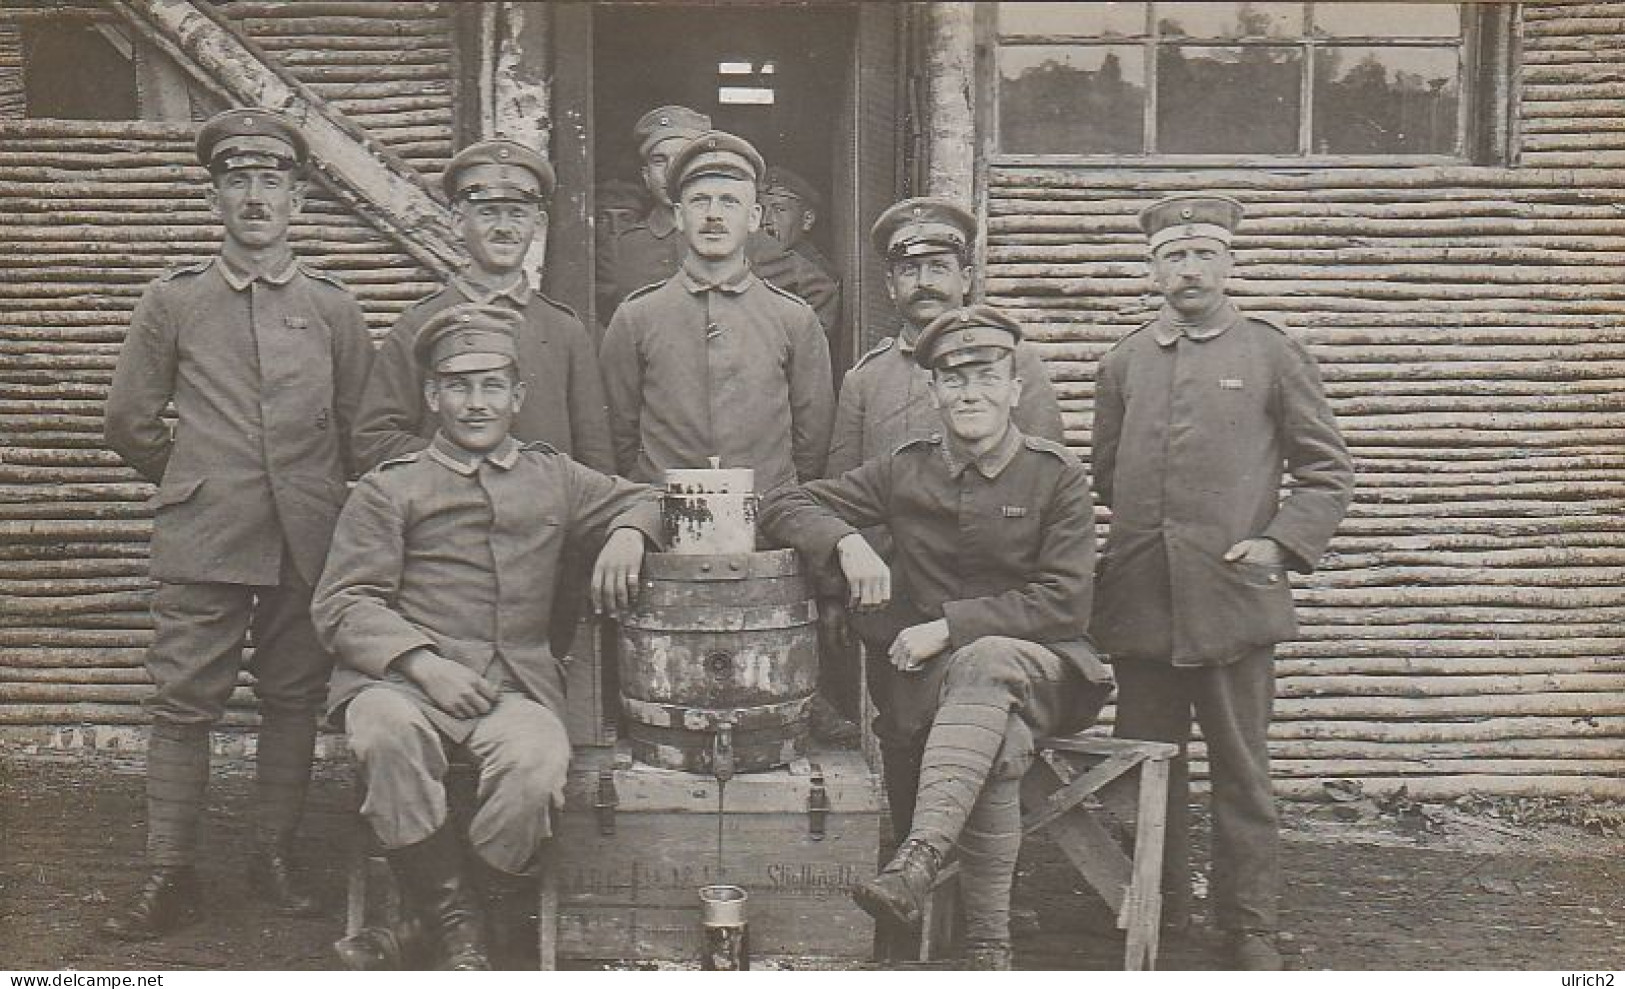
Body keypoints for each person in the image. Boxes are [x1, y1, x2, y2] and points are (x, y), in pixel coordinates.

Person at [760, 305, 1113, 971]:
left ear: (1014, 387)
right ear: (933, 392)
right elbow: (783, 503)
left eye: (985, 376)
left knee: (984, 656)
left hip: (1047, 674)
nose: (969, 392)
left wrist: (947, 626)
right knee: (999, 744)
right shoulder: (904, 469)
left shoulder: (1054, 473)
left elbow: (1065, 601)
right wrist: (847, 543)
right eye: (953, 380)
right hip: (948, 695)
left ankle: (917, 855)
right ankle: (988, 944)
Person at [313, 304, 663, 970]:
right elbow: (342, 601)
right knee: (385, 732)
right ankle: (464, 933)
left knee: (534, 760)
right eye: (459, 386)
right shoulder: (393, 488)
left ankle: (431, 927)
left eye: (492, 385)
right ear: (432, 395)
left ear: (517, 394)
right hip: (402, 683)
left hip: (513, 687)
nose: (477, 403)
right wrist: (421, 663)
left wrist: (625, 532)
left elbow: (642, 496)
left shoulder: (551, 473)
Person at [101, 107, 374, 939]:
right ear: (216, 196)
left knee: (293, 698)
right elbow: (130, 422)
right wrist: (195, 480)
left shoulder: (333, 307)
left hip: (307, 538)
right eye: (238, 181)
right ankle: (168, 871)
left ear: (298, 199)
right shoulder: (172, 299)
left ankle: (273, 854)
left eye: (271, 182)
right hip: (207, 533)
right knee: (185, 701)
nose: (255, 197)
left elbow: (362, 428)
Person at [1090, 194, 1354, 970]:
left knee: (1242, 771)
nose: (1189, 268)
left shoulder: (1271, 352)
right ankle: (1157, 909)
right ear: (1152, 268)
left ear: (1229, 262)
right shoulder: (1124, 360)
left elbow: (1325, 471)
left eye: (1204, 253)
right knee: (1146, 767)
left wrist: (1280, 543)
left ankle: (1250, 925)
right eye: (1173, 255)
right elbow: (1109, 474)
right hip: (1142, 605)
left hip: (1235, 601)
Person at [823, 197, 1068, 839]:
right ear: (890, 284)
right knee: (903, 745)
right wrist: (845, 578)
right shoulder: (865, 380)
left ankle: (980, 895)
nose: (925, 281)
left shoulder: (1018, 369)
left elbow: (1041, 487)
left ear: (967, 275)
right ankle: (920, 894)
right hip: (895, 608)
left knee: (992, 745)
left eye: (939, 265)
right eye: (910, 270)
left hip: (997, 607)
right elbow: (839, 488)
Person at [351, 139, 613, 478]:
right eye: (488, 212)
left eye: (518, 213)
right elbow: (373, 442)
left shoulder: (564, 331)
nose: (504, 228)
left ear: (539, 224)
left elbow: (596, 460)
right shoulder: (419, 324)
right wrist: (460, 462)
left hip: (545, 523)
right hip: (446, 519)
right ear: (458, 222)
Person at [599, 130, 834, 493]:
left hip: (766, 523)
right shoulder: (636, 317)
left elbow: (812, 441)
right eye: (699, 201)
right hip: (662, 521)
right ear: (678, 215)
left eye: (729, 202)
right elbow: (621, 433)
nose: (713, 216)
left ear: (754, 217)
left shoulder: (795, 319)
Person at [595, 105, 711, 321]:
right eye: (659, 161)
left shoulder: (741, 239)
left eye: (681, 158)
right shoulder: (619, 250)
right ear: (646, 176)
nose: (670, 171)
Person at [759, 164, 836, 281]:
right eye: (761, 209)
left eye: (779, 209)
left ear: (807, 220)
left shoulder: (816, 275)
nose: (765, 220)